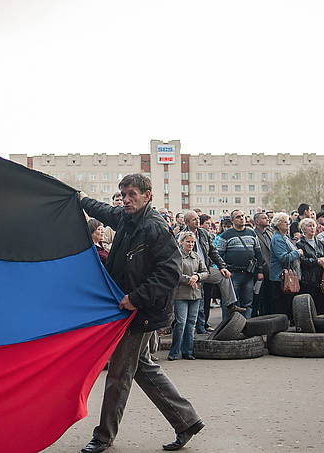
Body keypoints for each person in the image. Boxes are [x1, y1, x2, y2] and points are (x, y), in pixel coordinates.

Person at [79, 174, 204, 453]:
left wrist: (135, 299)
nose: (126, 199)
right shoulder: (126, 217)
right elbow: (103, 210)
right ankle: (187, 420)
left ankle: (103, 436)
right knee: (144, 368)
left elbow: (169, 273)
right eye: (123, 194)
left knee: (119, 374)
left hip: (141, 312)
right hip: (130, 310)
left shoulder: (154, 227)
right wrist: (82, 200)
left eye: (132, 194)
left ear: (147, 195)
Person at [181, 210, 241, 332]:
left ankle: (231, 305)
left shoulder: (203, 233)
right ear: (187, 222)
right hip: (190, 272)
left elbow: (213, 252)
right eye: (194, 219)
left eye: (198, 218)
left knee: (224, 276)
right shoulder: (182, 235)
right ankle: (200, 328)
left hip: (205, 269)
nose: (197, 221)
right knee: (201, 301)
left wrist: (222, 267)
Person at [168, 232, 209, 361]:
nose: (191, 244)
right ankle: (174, 352)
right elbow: (174, 273)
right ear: (181, 242)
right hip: (181, 294)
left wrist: (197, 277)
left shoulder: (196, 256)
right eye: (188, 242)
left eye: (192, 242)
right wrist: (189, 279)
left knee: (191, 323)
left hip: (195, 294)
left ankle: (188, 351)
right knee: (180, 323)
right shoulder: (176, 256)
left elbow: (205, 272)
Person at [217, 209, 264, 319]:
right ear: (232, 220)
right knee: (231, 303)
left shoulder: (251, 232)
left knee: (248, 302)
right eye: (238, 217)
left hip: (248, 274)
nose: (241, 218)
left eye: (243, 216)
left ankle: (246, 326)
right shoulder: (226, 235)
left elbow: (258, 253)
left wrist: (260, 270)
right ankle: (229, 328)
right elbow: (219, 255)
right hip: (232, 274)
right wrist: (223, 269)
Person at [269, 212, 301, 321]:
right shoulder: (277, 238)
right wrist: (298, 253)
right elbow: (283, 257)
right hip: (280, 276)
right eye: (285, 221)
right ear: (278, 224)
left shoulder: (285, 237)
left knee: (287, 303)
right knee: (282, 304)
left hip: (286, 275)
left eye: (288, 221)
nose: (288, 223)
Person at [297, 218, 324, 314]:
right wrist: (316, 261)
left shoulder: (321, 243)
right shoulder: (300, 244)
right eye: (309, 226)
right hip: (308, 278)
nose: (312, 228)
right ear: (303, 229)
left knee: (321, 303)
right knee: (310, 304)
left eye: (313, 226)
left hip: (322, 277)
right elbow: (302, 260)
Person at [253, 212, 275, 316]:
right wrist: (259, 270)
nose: (267, 219)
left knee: (271, 296)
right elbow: (255, 254)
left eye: (267, 218)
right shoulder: (253, 234)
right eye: (264, 218)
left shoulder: (270, 233)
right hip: (261, 270)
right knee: (260, 297)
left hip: (273, 270)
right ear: (257, 221)